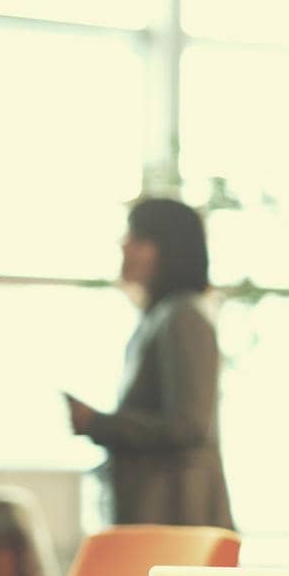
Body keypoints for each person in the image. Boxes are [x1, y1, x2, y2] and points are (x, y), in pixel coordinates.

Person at [65, 197, 234, 529]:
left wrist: (99, 424)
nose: (125, 245)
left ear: (168, 249)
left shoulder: (182, 315)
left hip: (178, 520)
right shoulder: (161, 317)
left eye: (138, 238)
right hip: (163, 517)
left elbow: (187, 424)